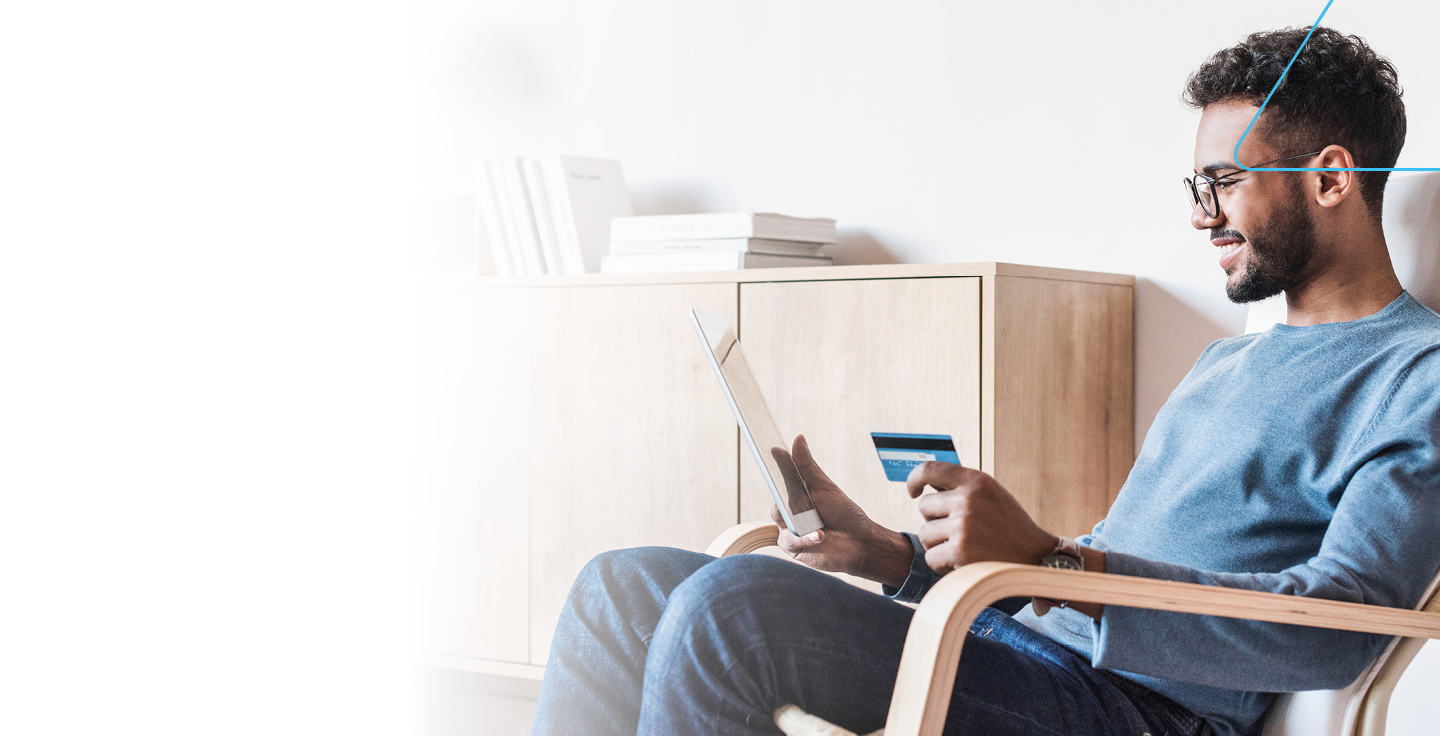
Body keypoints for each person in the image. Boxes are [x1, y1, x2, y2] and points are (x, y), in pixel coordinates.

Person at [529, 26, 1440, 736]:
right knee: (618, 586)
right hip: (1028, 647)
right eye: (1195, 184)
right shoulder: (1230, 357)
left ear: (1329, 179)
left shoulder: (1416, 377)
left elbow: (1346, 623)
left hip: (1140, 712)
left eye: (1226, 182)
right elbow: (1102, 579)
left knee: (730, 610)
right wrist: (893, 558)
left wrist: (1047, 561)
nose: (1202, 216)